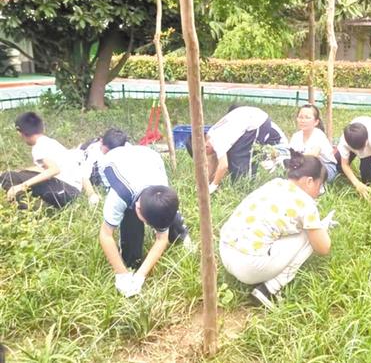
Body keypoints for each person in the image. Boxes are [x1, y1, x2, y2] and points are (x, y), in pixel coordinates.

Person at [219, 152, 334, 309]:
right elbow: (324, 248)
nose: (318, 193)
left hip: (225, 251)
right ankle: (270, 289)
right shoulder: (306, 203)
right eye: (319, 187)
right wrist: (322, 227)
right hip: (248, 267)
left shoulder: (275, 184)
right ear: (309, 181)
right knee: (311, 235)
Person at [97, 128, 192, 297]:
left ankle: (181, 233)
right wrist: (122, 274)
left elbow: (161, 238)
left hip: (149, 157)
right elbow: (105, 234)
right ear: (138, 208)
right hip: (114, 163)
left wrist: (141, 275)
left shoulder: (163, 189)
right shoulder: (119, 195)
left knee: (165, 208)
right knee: (130, 231)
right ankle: (130, 261)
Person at [193, 106, 285, 194]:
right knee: (234, 158)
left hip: (256, 123)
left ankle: (246, 189)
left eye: (204, 154)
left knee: (244, 159)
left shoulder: (217, 140)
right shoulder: (210, 135)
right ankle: (239, 184)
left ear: (205, 147)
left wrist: (213, 185)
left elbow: (223, 166)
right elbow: (213, 161)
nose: (207, 156)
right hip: (247, 119)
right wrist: (206, 182)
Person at [0, 112, 82, 210]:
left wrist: (22, 185)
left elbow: (54, 170)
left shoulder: (39, 146)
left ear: (19, 132)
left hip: (65, 189)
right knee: (14, 175)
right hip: (72, 192)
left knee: (7, 177)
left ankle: (29, 211)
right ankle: (39, 207)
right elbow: (43, 169)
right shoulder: (49, 142)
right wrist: (20, 172)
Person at [335, 116, 371, 200]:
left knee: (367, 181)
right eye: (358, 150)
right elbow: (344, 164)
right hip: (356, 142)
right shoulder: (344, 142)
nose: (361, 152)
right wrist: (356, 183)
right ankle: (353, 176)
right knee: (337, 163)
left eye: (362, 148)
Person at [289, 104, 337, 182]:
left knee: (309, 166)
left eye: (307, 118)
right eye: (300, 117)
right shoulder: (296, 136)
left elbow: (313, 156)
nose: (303, 120)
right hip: (303, 165)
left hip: (325, 167)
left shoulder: (319, 135)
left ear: (316, 122)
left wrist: (296, 159)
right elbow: (290, 154)